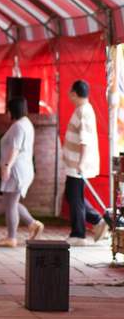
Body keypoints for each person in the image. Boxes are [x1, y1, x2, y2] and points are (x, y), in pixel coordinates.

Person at [63, 80, 107, 246]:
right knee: (73, 196)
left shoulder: (84, 111)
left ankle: (78, 234)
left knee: (75, 198)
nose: (69, 94)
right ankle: (97, 220)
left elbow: (85, 140)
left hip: (77, 164)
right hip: (74, 164)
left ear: (74, 93)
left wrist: (81, 163)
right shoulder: (82, 109)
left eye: (70, 91)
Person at [0, 97, 44, 247]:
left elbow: (15, 149)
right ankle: (33, 224)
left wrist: (6, 166)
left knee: (11, 204)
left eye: (8, 110)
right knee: (10, 202)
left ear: (12, 110)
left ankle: (11, 237)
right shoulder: (26, 124)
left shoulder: (18, 126)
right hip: (21, 168)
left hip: (16, 169)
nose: (7, 113)